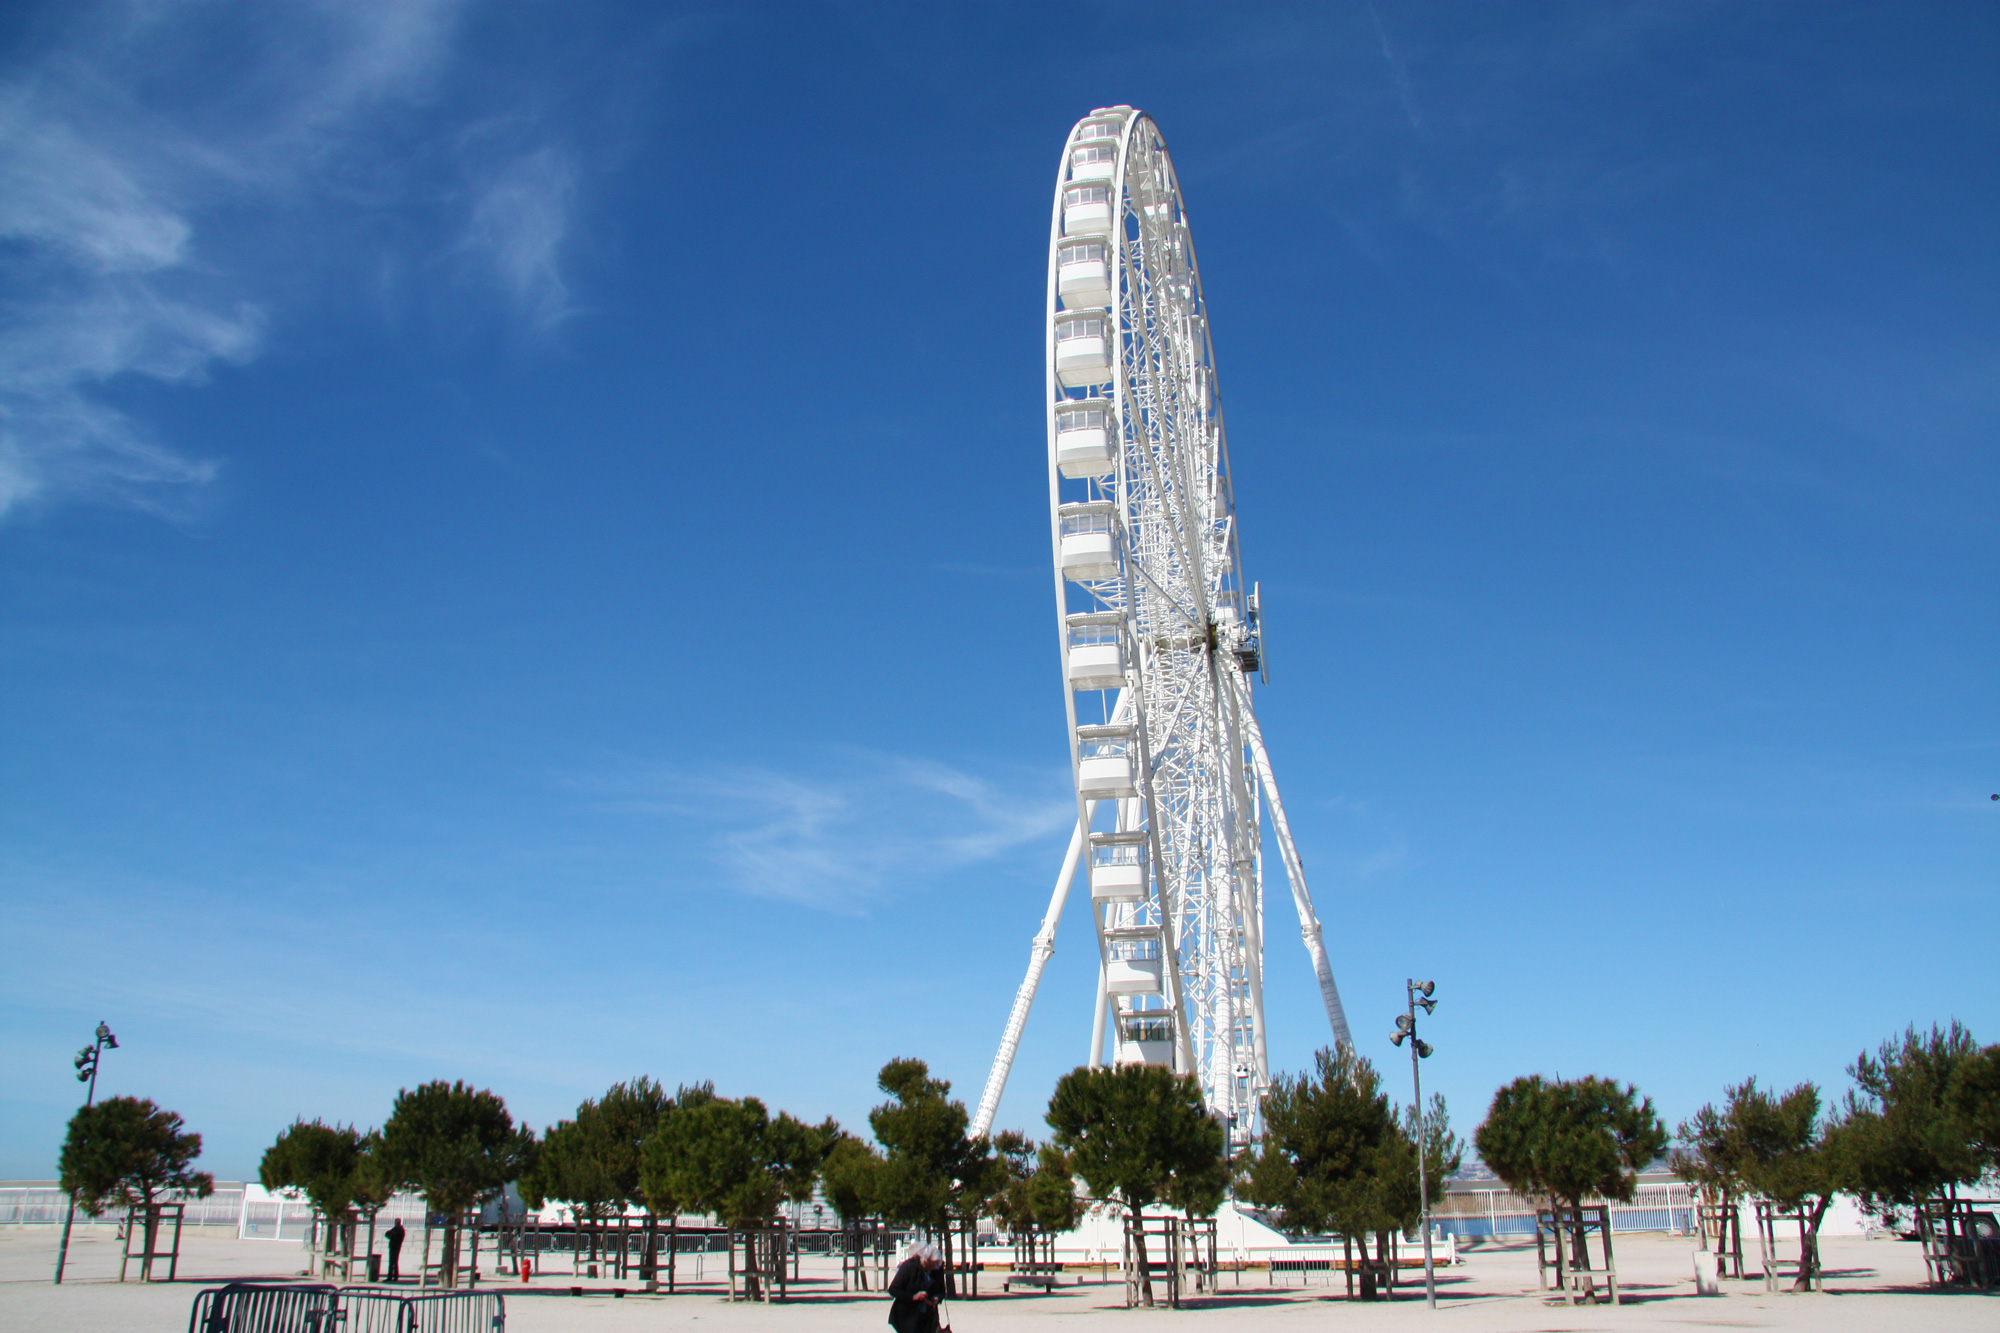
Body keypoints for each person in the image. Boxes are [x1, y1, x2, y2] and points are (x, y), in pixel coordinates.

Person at [887, 1241, 945, 1333]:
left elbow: (941, 1290)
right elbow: (893, 1290)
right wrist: (913, 1297)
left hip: (928, 1317)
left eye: (935, 1265)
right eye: (931, 1264)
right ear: (925, 1260)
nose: (933, 1268)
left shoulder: (937, 1269)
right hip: (908, 1316)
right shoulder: (909, 1266)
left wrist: (937, 1298)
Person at [383, 1218, 406, 1283]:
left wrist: (391, 1237)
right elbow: (387, 1233)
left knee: (392, 1262)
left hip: (394, 1246)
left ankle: (391, 1277)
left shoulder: (398, 1230)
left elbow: (389, 1234)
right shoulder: (400, 1230)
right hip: (396, 1246)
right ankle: (394, 1276)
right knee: (394, 1262)